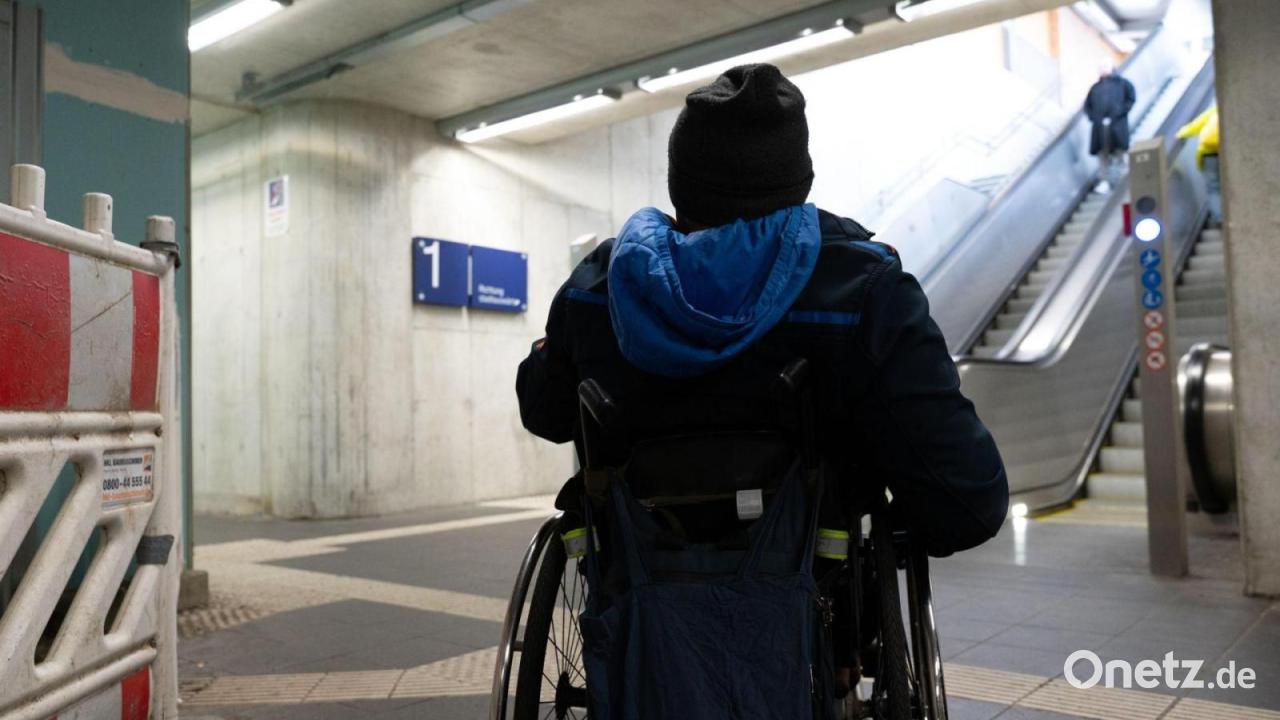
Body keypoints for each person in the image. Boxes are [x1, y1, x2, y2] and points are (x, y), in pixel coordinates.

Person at [516, 63, 1008, 559]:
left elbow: (545, 414)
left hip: (636, 597)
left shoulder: (598, 288)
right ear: (798, 181)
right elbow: (967, 502)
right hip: (813, 593)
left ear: (679, 183)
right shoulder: (862, 288)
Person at [1084, 64, 1136, 193]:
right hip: (1099, 128)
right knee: (1103, 155)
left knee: (1121, 153)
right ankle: (1104, 181)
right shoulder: (1095, 88)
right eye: (1100, 68)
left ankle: (1126, 180)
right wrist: (1094, 118)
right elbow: (1087, 106)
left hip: (1117, 126)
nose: (1102, 70)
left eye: (1104, 67)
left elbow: (1131, 99)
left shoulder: (1123, 84)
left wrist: (1120, 112)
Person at [1177, 105, 1221, 225]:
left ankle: (1219, 217)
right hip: (1227, 152)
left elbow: (1195, 126)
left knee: (1214, 188)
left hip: (1209, 153)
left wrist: (1180, 134)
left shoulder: (1213, 111)